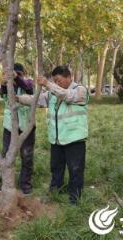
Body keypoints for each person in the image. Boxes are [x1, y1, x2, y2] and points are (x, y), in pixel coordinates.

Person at [18, 65, 89, 204]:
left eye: (59, 80)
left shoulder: (80, 90)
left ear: (69, 77)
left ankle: (74, 197)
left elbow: (67, 96)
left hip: (74, 138)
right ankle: (56, 190)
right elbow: (35, 100)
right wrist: (18, 98)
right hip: (56, 138)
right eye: (54, 81)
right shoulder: (51, 94)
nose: (57, 83)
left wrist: (48, 84)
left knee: (75, 169)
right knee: (56, 167)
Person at [0, 63, 36, 195]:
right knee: (7, 154)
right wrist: (4, 84)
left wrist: (18, 78)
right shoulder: (8, 86)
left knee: (27, 156)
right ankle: (6, 181)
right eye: (13, 76)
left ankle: (25, 183)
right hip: (9, 126)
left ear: (23, 74)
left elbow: (30, 89)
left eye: (18, 75)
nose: (15, 78)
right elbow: (2, 93)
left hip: (27, 126)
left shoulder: (29, 82)